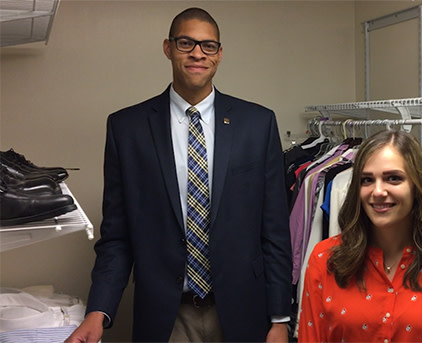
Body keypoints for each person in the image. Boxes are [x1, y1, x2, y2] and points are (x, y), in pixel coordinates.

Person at [65, 7, 292, 343]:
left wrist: (279, 319)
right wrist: (98, 312)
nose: (197, 53)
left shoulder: (257, 124)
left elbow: (273, 229)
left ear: (219, 53)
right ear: (168, 48)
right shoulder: (127, 128)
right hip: (165, 317)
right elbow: (116, 236)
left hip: (243, 313)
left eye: (208, 45)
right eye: (186, 43)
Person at [297, 130, 422, 342]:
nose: (377, 191)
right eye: (367, 180)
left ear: (416, 186)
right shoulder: (325, 260)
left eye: (393, 178)